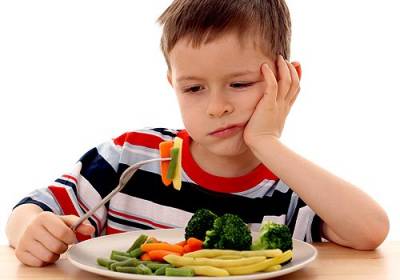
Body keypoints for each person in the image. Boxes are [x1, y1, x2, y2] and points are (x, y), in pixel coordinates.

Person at [6, 0, 389, 267]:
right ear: (172, 83)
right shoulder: (130, 157)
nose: (216, 107)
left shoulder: (289, 190)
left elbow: (370, 230)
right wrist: (31, 230)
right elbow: (31, 210)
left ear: (285, 80)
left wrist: (265, 141)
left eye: (239, 84)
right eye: (193, 89)